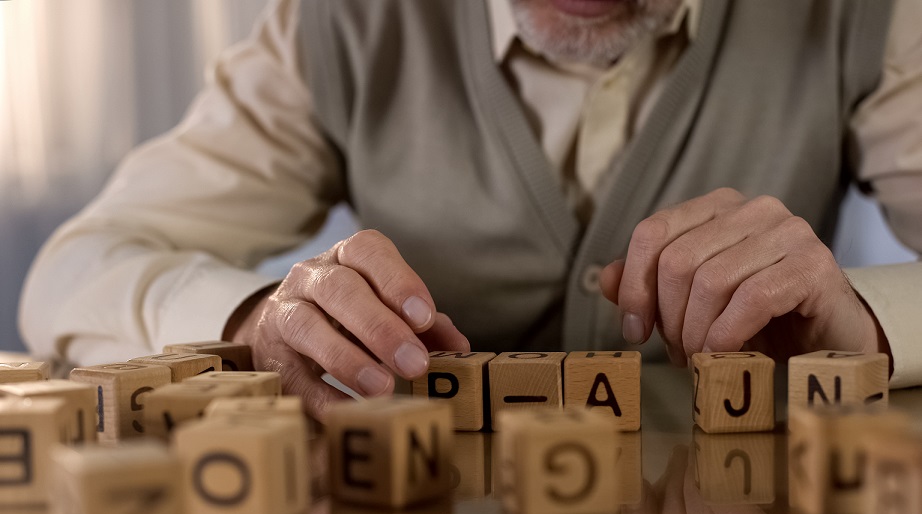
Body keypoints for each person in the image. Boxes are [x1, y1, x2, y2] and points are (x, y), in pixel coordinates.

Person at [19, 0, 922, 420]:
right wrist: (256, 317)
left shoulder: (867, 15)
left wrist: (868, 321)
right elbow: (76, 266)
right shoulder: (337, 23)